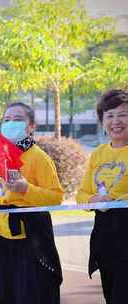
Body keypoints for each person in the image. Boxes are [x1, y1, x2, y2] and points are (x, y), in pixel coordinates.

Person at [0, 102, 64, 304]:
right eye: (7, 120)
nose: (11, 123)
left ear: (31, 127)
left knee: (32, 294)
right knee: (2, 294)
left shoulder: (39, 157)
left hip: (31, 238)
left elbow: (56, 197)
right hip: (1, 237)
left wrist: (26, 189)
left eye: (18, 119)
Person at [76, 89, 128, 304]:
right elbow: (81, 194)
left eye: (123, 114)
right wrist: (93, 200)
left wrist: (117, 201)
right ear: (102, 121)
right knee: (111, 293)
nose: (116, 121)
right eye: (109, 115)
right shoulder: (98, 153)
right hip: (105, 234)